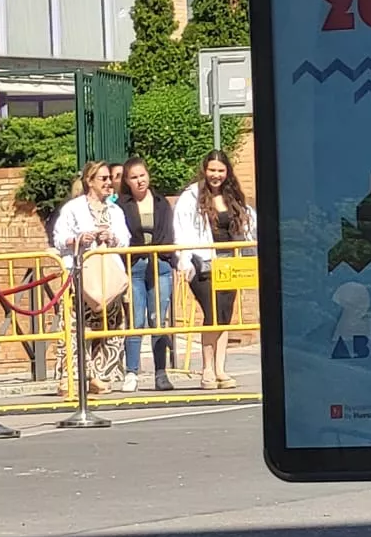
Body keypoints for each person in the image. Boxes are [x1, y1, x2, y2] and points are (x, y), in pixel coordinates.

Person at [173, 150, 256, 389]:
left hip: (231, 264)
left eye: (220, 170)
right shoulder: (192, 196)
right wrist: (184, 259)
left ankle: (221, 369)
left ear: (227, 172)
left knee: (225, 316)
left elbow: (249, 224)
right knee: (212, 314)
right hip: (202, 262)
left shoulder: (234, 197)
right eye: (212, 170)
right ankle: (206, 369)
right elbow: (182, 228)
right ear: (204, 170)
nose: (216, 175)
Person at [54, 160, 133, 396]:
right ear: (90, 181)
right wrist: (80, 239)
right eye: (103, 179)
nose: (109, 183)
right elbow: (59, 239)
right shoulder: (73, 208)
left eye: (110, 178)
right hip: (80, 276)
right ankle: (70, 376)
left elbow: (126, 241)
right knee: (75, 327)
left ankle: (100, 375)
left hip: (109, 276)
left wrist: (112, 238)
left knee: (111, 327)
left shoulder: (115, 211)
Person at [117, 156, 176, 392]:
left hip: (160, 264)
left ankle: (161, 373)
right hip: (135, 266)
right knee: (136, 319)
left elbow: (170, 232)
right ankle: (131, 372)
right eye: (134, 177)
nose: (140, 181)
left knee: (158, 319)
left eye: (142, 175)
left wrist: (168, 257)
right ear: (127, 182)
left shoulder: (162, 203)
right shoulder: (122, 205)